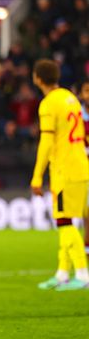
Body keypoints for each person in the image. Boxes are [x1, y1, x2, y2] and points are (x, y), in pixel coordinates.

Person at [31, 59, 89, 290]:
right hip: (80, 165)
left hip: (65, 169)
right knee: (66, 221)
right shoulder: (70, 97)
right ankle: (63, 272)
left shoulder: (48, 104)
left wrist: (37, 176)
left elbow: (46, 142)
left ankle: (82, 274)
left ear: (37, 79)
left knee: (64, 222)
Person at [78, 79, 89, 257]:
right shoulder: (76, 114)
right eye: (86, 91)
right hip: (81, 167)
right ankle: (86, 246)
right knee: (85, 212)